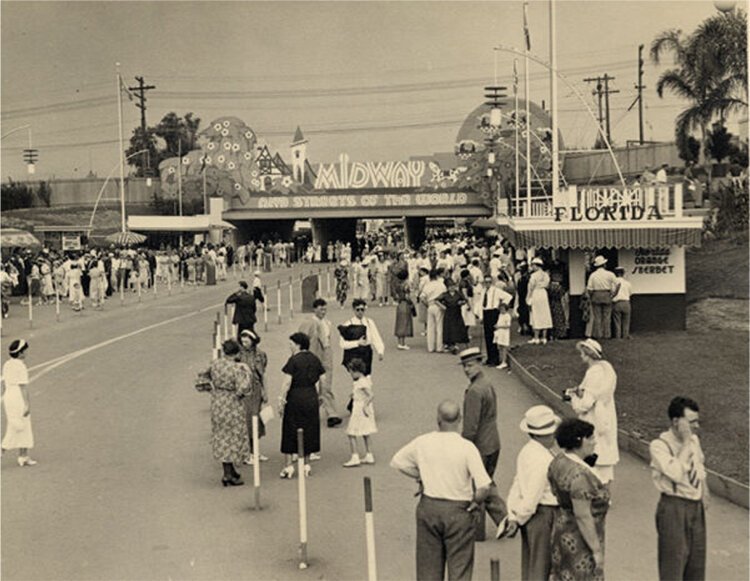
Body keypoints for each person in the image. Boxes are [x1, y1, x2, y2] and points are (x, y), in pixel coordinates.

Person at [390, 400, 493, 581]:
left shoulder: (423, 442)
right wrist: (476, 502)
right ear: (460, 419)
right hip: (458, 511)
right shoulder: (467, 447)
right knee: (460, 566)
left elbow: (398, 461)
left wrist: (420, 476)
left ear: (438, 418)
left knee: (428, 568)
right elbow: (484, 486)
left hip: (429, 507)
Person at [649, 396, 709, 581]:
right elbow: (675, 472)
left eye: (697, 421)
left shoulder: (694, 441)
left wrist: (704, 490)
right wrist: (684, 443)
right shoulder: (659, 446)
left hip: (695, 507)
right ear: (676, 421)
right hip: (673, 507)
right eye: (691, 422)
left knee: (696, 564)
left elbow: (699, 466)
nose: (695, 426)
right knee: (673, 564)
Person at [548, 418, 610, 581]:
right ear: (579, 441)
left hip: (562, 530)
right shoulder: (581, 476)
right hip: (580, 540)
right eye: (590, 438)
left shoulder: (559, 461)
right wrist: (596, 550)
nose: (594, 442)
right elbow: (583, 516)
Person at [505, 406, 561, 581]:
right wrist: (520, 516)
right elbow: (532, 496)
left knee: (531, 563)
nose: (553, 436)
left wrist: (513, 513)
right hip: (543, 513)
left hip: (531, 515)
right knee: (541, 568)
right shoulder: (542, 459)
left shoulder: (527, 451)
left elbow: (518, 484)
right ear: (539, 435)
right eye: (550, 433)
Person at [459, 347, 508, 536]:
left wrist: (463, 447)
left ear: (479, 364)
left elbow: (470, 426)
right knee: (486, 482)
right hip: (493, 441)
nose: (466, 370)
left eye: (470, 365)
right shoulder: (487, 383)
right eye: (464, 366)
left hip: (480, 445)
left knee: (478, 487)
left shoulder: (474, 391)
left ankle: (477, 531)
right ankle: (504, 518)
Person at [564, 339, 620, 486]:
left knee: (594, 452)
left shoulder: (593, 373)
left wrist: (573, 398)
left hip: (594, 417)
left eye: (582, 352)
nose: (581, 355)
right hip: (605, 414)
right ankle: (604, 495)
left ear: (588, 354)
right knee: (603, 453)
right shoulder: (606, 370)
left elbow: (585, 404)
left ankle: (596, 495)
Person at [278, 332, 326, 479]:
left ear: (298, 344)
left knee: (290, 428)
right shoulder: (315, 359)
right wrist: (321, 395)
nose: (290, 346)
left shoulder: (293, 361)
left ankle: (288, 466)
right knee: (309, 428)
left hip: (295, 397)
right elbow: (322, 379)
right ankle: (306, 464)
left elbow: (287, 382)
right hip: (311, 395)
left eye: (291, 344)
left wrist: (281, 399)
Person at [205, 339, 251, 486]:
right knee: (233, 436)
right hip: (232, 403)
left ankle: (228, 471)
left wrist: (212, 389)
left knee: (222, 436)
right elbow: (243, 388)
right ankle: (229, 473)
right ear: (236, 353)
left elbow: (201, 379)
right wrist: (239, 394)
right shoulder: (238, 368)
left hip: (218, 402)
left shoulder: (215, 364)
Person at [298, 298, 341, 428]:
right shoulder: (309, 323)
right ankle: (307, 413)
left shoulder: (327, 323)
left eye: (325, 309)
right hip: (312, 356)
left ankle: (331, 415)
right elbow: (301, 339)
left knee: (326, 385)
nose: (323, 312)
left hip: (326, 355)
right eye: (321, 309)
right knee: (309, 386)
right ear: (314, 309)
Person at [236, 330, 269, 464]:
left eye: (247, 341)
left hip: (255, 389)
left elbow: (263, 374)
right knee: (246, 421)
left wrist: (265, 391)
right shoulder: (238, 355)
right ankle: (247, 452)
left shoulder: (260, 354)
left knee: (256, 420)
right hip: (244, 390)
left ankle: (255, 451)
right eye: (242, 341)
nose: (244, 344)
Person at [2, 339, 36, 466]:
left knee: (18, 424)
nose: (27, 352)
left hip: (8, 396)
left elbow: (4, 385)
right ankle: (3, 449)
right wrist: (27, 404)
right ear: (21, 353)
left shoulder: (7, 364)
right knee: (19, 425)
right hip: (17, 397)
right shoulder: (21, 366)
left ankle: (24, 456)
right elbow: (23, 387)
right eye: (25, 350)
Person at [342, 358, 377, 467]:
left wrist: (365, 405)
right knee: (366, 432)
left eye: (351, 372)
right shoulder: (365, 380)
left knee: (351, 433)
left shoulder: (361, 382)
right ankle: (369, 454)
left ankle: (354, 456)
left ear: (356, 371)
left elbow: (371, 395)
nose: (350, 374)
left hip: (359, 408)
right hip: (362, 407)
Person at [340, 299, 385, 378]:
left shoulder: (369, 322)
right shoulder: (348, 324)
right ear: (353, 310)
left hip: (367, 352)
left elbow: (376, 337)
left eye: (362, 309)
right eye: (358, 309)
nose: (360, 312)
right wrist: (357, 343)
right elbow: (342, 344)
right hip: (354, 353)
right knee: (358, 378)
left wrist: (380, 350)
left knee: (367, 376)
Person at [477, 274, 511, 366]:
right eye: (485, 282)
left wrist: (502, 307)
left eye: (489, 282)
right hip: (486, 313)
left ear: (491, 282)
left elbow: (508, 297)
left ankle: (495, 359)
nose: (487, 284)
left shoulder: (496, 290)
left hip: (493, 312)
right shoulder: (483, 291)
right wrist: (481, 316)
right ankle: (489, 357)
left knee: (493, 336)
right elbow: (481, 304)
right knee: (487, 336)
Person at [586, 255, 618, 340]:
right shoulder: (610, 274)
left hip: (596, 295)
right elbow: (618, 284)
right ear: (604, 265)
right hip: (606, 294)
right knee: (607, 317)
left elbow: (589, 288)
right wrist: (614, 294)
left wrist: (591, 296)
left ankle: (598, 335)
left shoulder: (593, 275)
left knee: (597, 317)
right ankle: (607, 335)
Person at [437, 278, 469, 354]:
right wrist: (442, 307)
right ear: (447, 287)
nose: (452, 288)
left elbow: (465, 300)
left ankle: (458, 343)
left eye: (453, 286)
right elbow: (436, 300)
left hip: (457, 313)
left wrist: (462, 302)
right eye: (450, 286)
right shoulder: (445, 294)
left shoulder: (458, 293)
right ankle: (451, 345)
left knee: (458, 328)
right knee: (449, 329)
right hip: (448, 313)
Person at [526, 257, 553, 345]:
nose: (532, 267)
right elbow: (547, 284)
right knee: (545, 314)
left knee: (536, 315)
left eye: (533, 265)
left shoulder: (533, 276)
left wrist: (528, 298)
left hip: (536, 293)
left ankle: (536, 337)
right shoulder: (546, 275)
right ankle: (544, 337)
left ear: (537, 266)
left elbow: (530, 287)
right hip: (543, 294)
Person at [393, 269, 414, 350]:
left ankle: (399, 342)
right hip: (405, 303)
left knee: (399, 322)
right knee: (404, 323)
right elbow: (407, 296)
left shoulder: (397, 285)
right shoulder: (406, 285)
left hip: (399, 304)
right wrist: (411, 304)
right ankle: (402, 343)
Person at [612, 267, 632, 339]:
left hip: (617, 303)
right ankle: (625, 335)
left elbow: (612, 292)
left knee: (617, 321)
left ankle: (618, 336)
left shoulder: (613, 283)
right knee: (626, 321)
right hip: (626, 302)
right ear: (622, 273)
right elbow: (630, 293)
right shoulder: (628, 283)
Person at [493, 302, 512, 370]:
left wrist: (499, 326)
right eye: (500, 309)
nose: (501, 310)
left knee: (504, 347)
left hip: (504, 333)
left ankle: (504, 361)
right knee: (500, 346)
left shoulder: (507, 316)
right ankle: (501, 360)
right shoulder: (500, 315)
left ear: (506, 309)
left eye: (503, 309)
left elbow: (508, 325)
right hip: (500, 333)